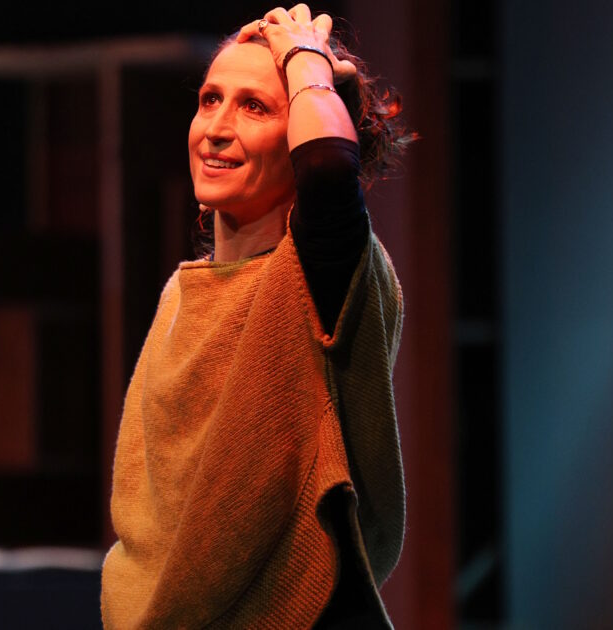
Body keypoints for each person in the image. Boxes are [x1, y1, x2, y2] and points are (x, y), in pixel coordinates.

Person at [101, 5, 410, 628]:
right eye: (210, 99)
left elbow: (329, 170)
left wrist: (305, 58)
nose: (216, 129)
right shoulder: (180, 296)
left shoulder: (321, 277)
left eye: (255, 107)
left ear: (299, 134)